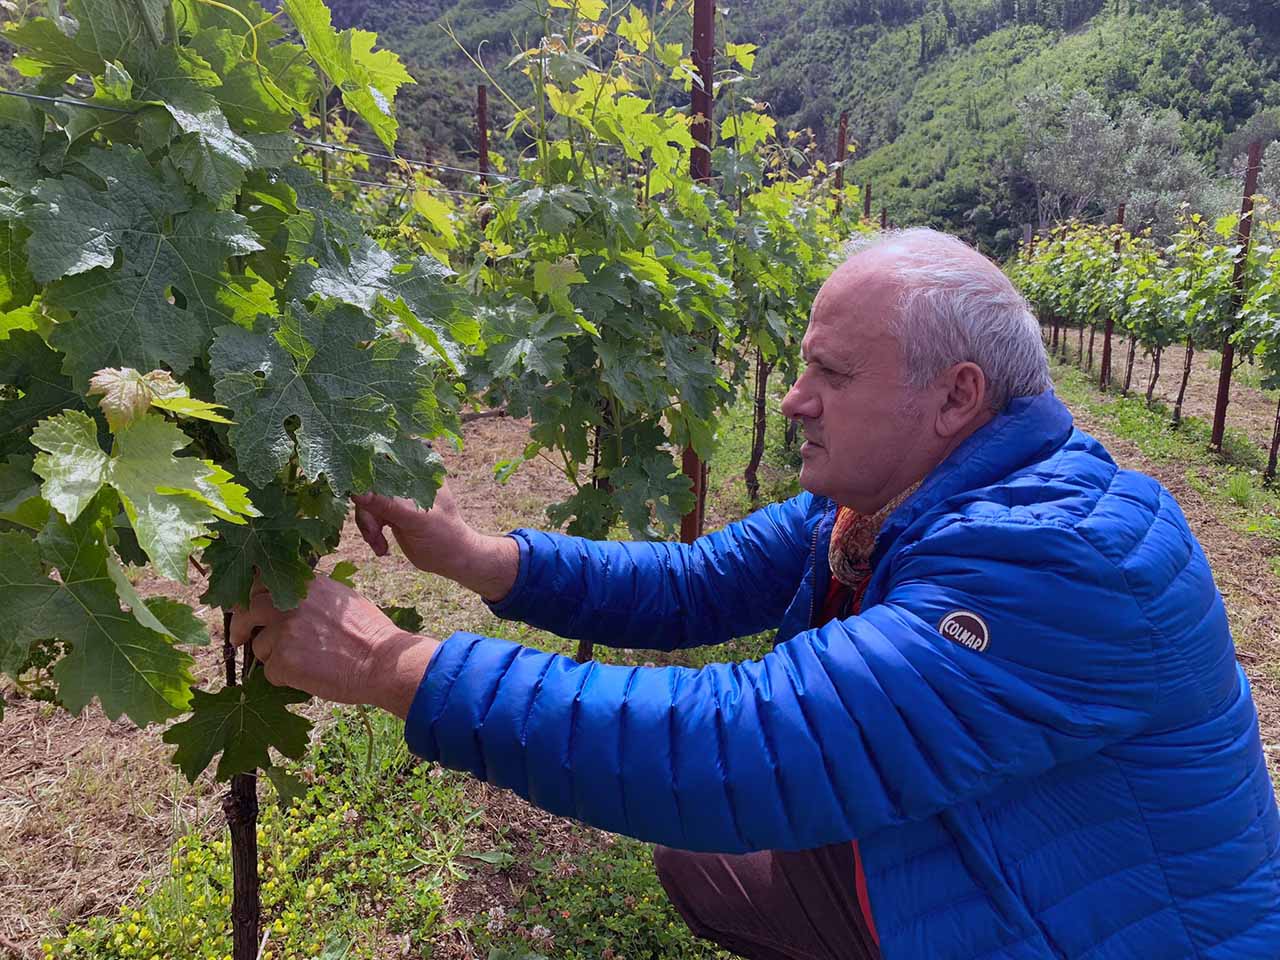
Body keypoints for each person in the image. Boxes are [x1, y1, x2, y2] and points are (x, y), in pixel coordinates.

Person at [232, 228, 1280, 960]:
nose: (792, 398)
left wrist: (386, 664)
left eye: (832, 374)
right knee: (709, 860)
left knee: (730, 813)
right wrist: (472, 554)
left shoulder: (1055, 558)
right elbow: (694, 584)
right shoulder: (892, 500)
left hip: (1093, 935)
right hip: (996, 861)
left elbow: (740, 744)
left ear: (954, 396)